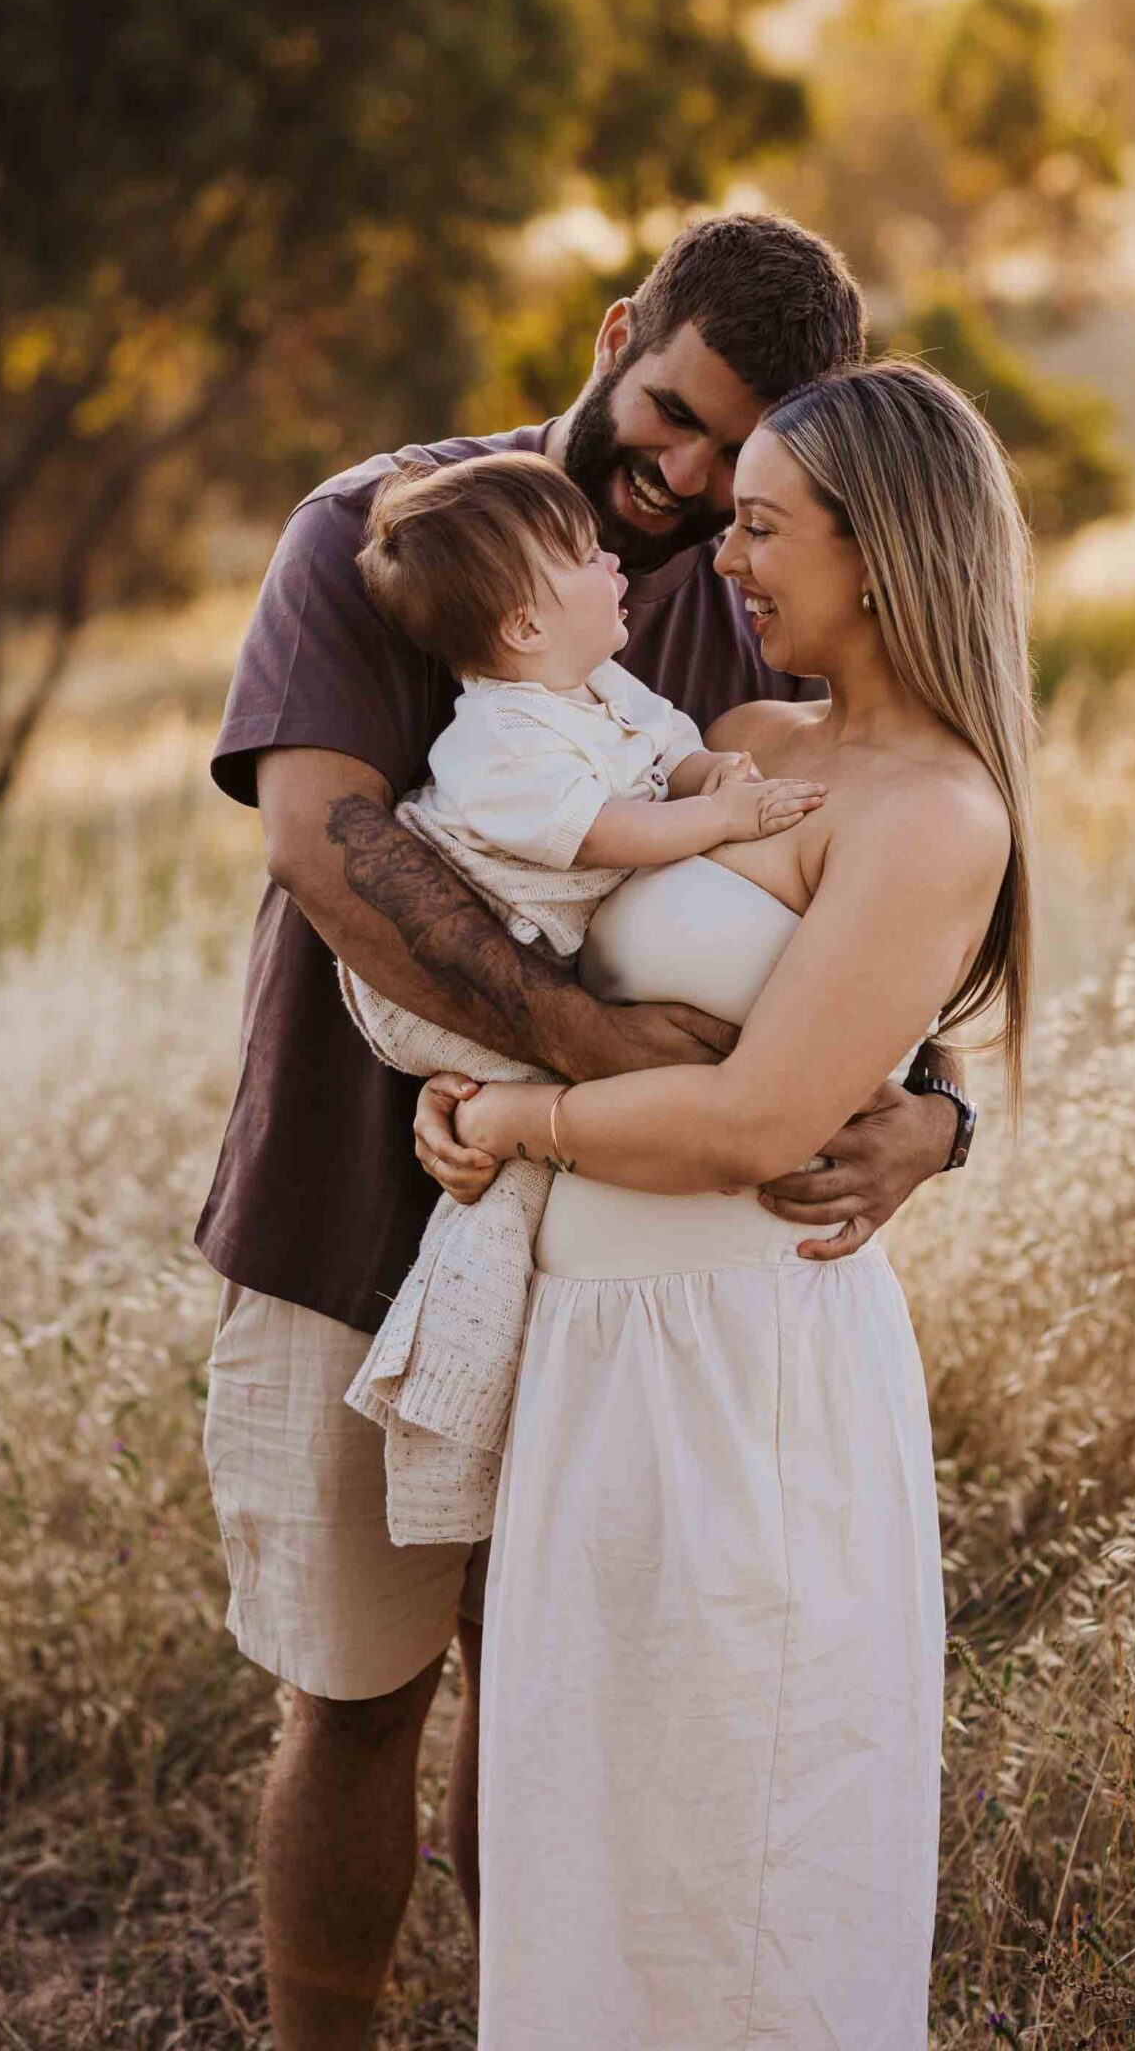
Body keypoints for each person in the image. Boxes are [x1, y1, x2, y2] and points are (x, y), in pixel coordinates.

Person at [198, 214, 968, 2051]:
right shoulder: (382, 535)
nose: (689, 481)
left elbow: (859, 895)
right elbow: (333, 846)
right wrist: (604, 1069)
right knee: (358, 1701)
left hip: (622, 1268)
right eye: (676, 415)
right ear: (622, 330)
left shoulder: (744, 580)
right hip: (350, 1217)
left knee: (566, 1715)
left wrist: (936, 1112)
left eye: (741, 457)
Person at [415, 359, 1030, 2049]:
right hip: (596, 1342)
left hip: (744, 1368)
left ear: (883, 548)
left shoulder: (937, 814)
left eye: (761, 525)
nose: (728, 557)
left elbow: (763, 1118)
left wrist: (518, 1114)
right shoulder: (735, 746)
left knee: (744, 1851)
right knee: (592, 1831)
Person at [340, 450, 828, 1546]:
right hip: (436, 982)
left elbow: (673, 760)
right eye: (578, 555)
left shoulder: (603, 689)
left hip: (548, 954)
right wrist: (722, 824)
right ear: (519, 627)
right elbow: (607, 832)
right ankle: (453, 1355)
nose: (613, 559)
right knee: (500, 1115)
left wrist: (714, 781)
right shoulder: (499, 741)